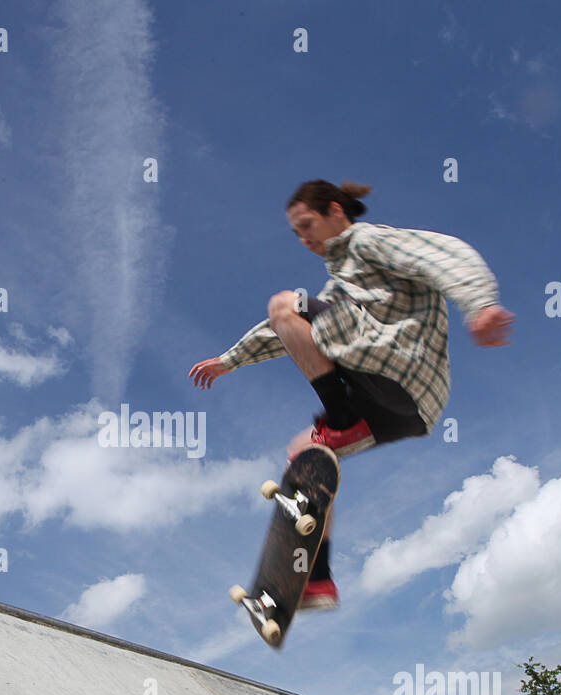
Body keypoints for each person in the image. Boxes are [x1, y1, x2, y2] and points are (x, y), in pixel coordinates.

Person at [189, 179, 513, 610]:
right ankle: (317, 579)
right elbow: (281, 331)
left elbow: (444, 255)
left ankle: (340, 419)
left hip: (399, 367)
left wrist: (480, 303)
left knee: (286, 304)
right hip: (405, 411)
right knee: (305, 453)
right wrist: (230, 360)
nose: (304, 240)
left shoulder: (368, 240)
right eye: (297, 234)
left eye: (308, 226)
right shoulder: (340, 290)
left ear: (336, 212)